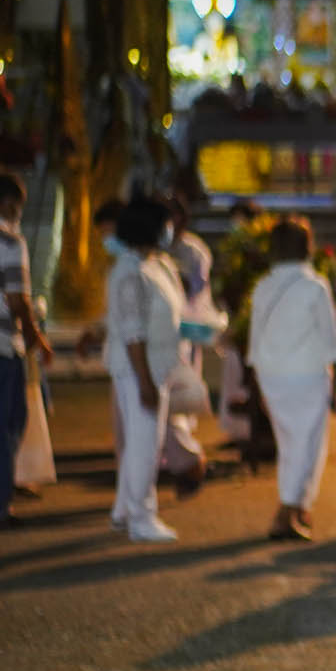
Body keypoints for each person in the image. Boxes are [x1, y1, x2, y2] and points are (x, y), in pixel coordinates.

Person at [247, 216, 336, 541]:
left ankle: (299, 506)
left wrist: (257, 385)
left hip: (272, 376)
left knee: (291, 444)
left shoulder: (263, 286)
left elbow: (254, 342)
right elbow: (331, 339)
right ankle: (287, 510)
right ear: (307, 247)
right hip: (307, 376)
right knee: (307, 445)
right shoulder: (315, 286)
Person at [103, 197, 188, 543]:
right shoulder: (130, 272)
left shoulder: (153, 265)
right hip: (139, 369)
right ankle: (141, 517)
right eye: (166, 223)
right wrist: (145, 382)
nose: (171, 229)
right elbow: (133, 333)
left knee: (141, 442)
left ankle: (124, 510)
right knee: (144, 445)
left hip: (155, 366)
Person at [0, 173, 54, 525]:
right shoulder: (10, 242)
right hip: (4, 347)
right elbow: (18, 299)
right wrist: (37, 338)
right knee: (8, 424)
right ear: (8, 204)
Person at [159, 195, 213, 493]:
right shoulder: (155, 253)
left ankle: (187, 458)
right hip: (163, 338)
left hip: (185, 331)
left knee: (178, 399)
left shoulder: (194, 251)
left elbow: (199, 290)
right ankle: (178, 457)